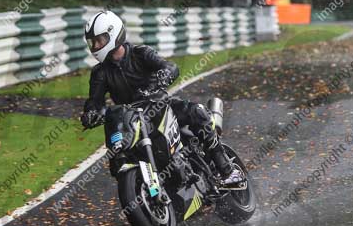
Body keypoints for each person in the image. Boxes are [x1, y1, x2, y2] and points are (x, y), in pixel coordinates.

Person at [80, 10, 244, 185]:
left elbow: (170, 66)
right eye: (93, 42)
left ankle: (228, 170)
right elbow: (94, 102)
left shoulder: (140, 53)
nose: (96, 46)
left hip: (159, 106)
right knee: (120, 152)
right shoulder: (100, 73)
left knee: (198, 113)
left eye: (100, 40)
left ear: (113, 34)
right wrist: (91, 113)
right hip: (132, 120)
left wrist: (164, 75)